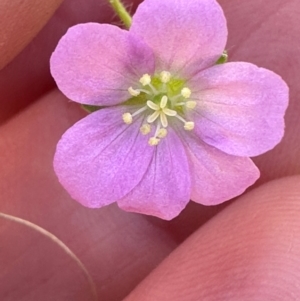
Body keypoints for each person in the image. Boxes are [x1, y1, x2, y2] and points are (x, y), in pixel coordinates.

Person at [0, 0, 299, 300]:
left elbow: (223, 169)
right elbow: (81, 55)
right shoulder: (97, 57)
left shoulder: (186, 27)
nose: (162, 105)